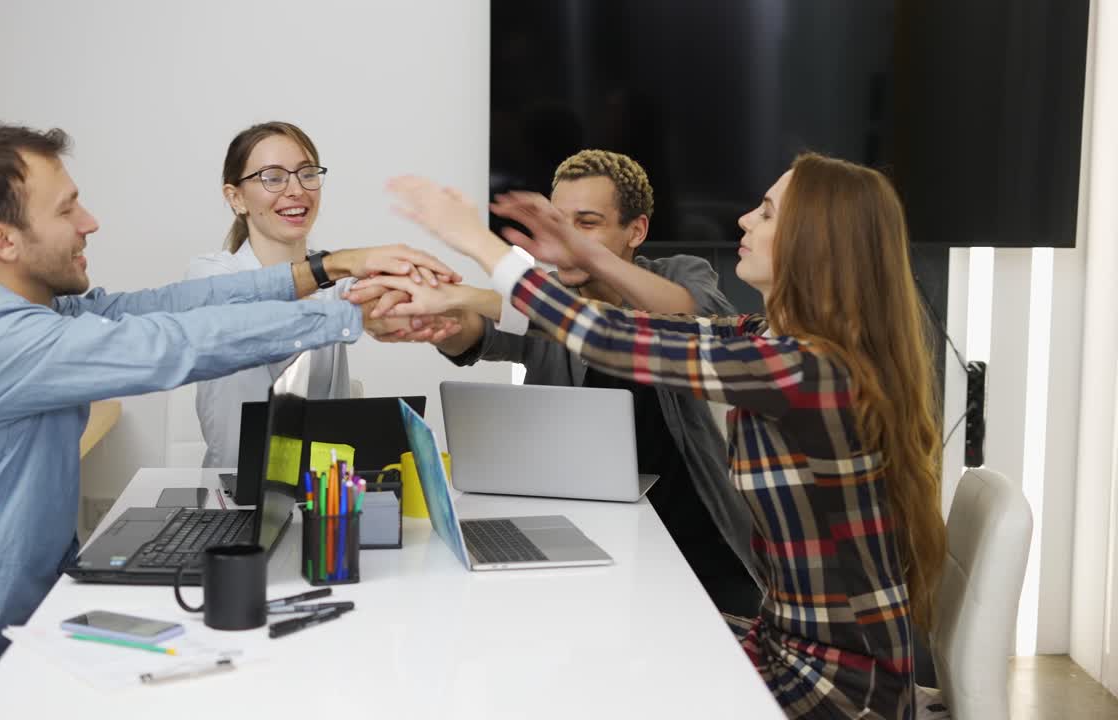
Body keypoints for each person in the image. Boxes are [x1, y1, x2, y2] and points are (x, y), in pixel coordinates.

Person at [0, 123, 457, 719]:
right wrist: (344, 317)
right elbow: (166, 343)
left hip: (17, 644)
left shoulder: (25, 309)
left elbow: (160, 307)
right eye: (67, 210)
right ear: (4, 241)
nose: (90, 222)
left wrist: (327, 270)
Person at [364, 154, 946, 719]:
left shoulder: (802, 367)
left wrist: (478, 241)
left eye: (766, 213)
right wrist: (457, 298)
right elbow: (641, 327)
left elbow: (610, 336)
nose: (744, 220)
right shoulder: (774, 343)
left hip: (833, 687)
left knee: (591, 672)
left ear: (817, 242)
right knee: (591, 644)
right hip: (791, 648)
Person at [352, 149, 760, 615]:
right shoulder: (547, 294)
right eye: (554, 224)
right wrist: (431, 318)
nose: (562, 242)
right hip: (580, 530)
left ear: (636, 231)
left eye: (584, 224)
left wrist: (479, 269)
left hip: (694, 540)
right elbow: (478, 328)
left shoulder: (681, 273)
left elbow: (685, 319)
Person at [186, 122, 347, 468]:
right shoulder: (210, 276)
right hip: (233, 500)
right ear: (236, 197)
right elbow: (259, 320)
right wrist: (339, 272)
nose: (296, 190)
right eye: (273, 178)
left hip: (320, 496)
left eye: (307, 174)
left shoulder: (337, 282)